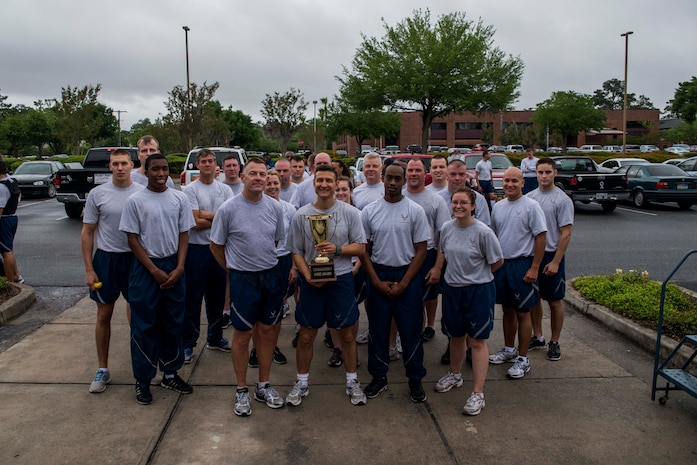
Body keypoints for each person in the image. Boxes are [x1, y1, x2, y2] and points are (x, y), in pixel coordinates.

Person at [285, 165, 368, 407]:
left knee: (347, 334)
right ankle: (301, 381)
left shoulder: (351, 213)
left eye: (328, 181)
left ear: (335, 184)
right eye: (319, 180)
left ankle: (352, 380)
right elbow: (296, 250)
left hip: (340, 278)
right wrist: (307, 275)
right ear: (314, 184)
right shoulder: (302, 214)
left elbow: (361, 247)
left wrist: (338, 249)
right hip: (312, 281)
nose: (323, 184)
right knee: (307, 334)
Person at [210, 157, 287, 417]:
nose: (258, 178)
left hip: (270, 275)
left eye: (262, 174)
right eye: (252, 173)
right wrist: (231, 267)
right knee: (242, 335)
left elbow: (276, 240)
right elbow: (215, 245)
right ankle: (241, 389)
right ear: (242, 177)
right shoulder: (228, 209)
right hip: (243, 279)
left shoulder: (275, 208)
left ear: (267, 178)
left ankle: (263, 386)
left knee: (266, 333)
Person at [119, 154, 195, 405]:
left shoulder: (179, 198)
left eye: (164, 169)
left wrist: (180, 266)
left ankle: (170, 373)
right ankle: (143, 380)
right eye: (155, 169)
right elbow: (132, 239)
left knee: (173, 322)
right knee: (144, 326)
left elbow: (184, 233)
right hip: (145, 269)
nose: (161, 173)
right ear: (146, 171)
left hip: (174, 265)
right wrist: (153, 270)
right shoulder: (135, 200)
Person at [429, 187, 503, 415]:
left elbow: (497, 261)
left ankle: (478, 393)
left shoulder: (483, 232)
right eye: (454, 202)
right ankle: (455, 374)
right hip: (452, 289)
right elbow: (444, 252)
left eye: (463, 203)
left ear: (473, 206)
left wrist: (476, 278)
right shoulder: (447, 228)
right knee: (455, 336)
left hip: (478, 291)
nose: (458, 206)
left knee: (477, 340)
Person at [360, 163, 431, 402]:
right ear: (382, 178)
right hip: (379, 273)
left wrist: (404, 283)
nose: (392, 183)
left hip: (407, 275)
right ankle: (379, 377)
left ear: (403, 181)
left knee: (411, 331)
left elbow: (421, 250)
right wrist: (376, 281)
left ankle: (415, 379)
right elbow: (364, 251)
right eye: (388, 178)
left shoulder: (414, 211)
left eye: (397, 179)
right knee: (378, 330)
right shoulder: (369, 211)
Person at [82, 149, 145, 393]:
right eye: (115, 164)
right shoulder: (97, 194)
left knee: (139, 317)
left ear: (132, 165)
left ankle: (142, 367)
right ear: (110, 167)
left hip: (135, 259)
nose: (120, 168)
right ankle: (102, 369)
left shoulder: (142, 193)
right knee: (103, 316)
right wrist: (89, 269)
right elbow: (87, 232)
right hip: (106, 260)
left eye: (124, 163)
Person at [488, 167, 547, 379]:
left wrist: (534, 267)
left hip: (523, 264)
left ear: (523, 183)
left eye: (514, 181)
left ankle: (523, 358)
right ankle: (508, 349)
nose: (510, 185)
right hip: (503, 265)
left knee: (523, 311)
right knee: (507, 309)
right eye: (506, 181)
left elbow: (541, 237)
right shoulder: (498, 207)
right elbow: (494, 235)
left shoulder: (532, 207)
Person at [181, 149, 233, 366]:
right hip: (197, 249)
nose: (208, 164)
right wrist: (216, 217)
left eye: (211, 161)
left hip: (218, 249)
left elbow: (230, 218)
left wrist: (205, 214)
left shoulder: (225, 189)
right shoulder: (190, 190)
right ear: (197, 165)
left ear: (216, 164)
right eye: (203, 161)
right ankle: (188, 343)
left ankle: (214, 336)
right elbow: (193, 222)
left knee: (217, 297)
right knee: (192, 298)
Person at [527, 158, 574, 361]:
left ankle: (555, 341)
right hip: (532, 255)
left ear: (555, 173)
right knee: (533, 299)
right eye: (540, 172)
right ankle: (538, 336)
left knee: (554, 301)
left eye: (547, 172)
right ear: (535, 173)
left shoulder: (562, 200)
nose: (544, 176)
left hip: (551, 254)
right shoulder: (530, 198)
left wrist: (555, 261)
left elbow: (566, 233)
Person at [247, 170, 294, 368]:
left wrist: (293, 267)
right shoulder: (253, 208)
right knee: (257, 310)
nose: (273, 187)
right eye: (269, 183)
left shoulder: (290, 209)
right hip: (259, 263)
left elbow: (294, 241)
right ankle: (256, 349)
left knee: (276, 310)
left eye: (276, 183)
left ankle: (272, 346)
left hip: (282, 261)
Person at [404, 159, 450, 343]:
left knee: (428, 296)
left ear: (425, 173)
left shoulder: (436, 200)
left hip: (428, 254)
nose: (414, 174)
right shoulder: (398, 196)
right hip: (405, 255)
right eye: (410, 170)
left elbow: (443, 236)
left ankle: (429, 326)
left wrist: (438, 266)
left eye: (418, 170)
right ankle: (411, 330)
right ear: (406, 173)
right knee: (408, 297)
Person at [0, 160, 23, 284]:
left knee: (6, 252)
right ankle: (16, 275)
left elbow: (0, 208)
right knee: (9, 249)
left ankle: (9, 283)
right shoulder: (11, 181)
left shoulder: (1, 187)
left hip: (3, 220)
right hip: (13, 217)